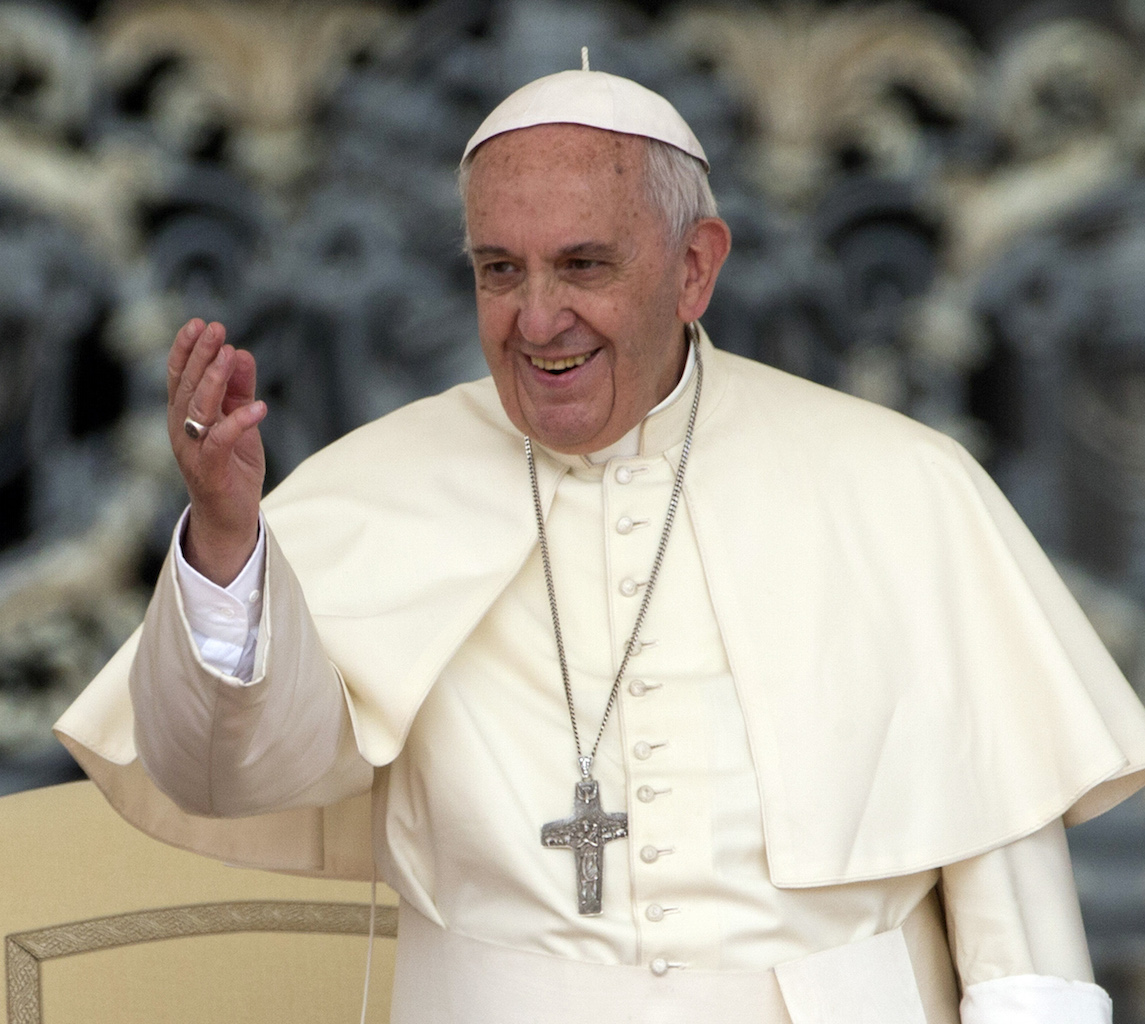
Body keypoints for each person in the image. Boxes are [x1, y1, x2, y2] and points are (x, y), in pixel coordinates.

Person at [57, 67, 1145, 1024]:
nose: (536, 321)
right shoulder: (377, 484)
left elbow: (1008, 892)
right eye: (498, 270)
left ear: (693, 268)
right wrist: (228, 537)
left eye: (582, 265)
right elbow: (228, 771)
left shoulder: (901, 486)